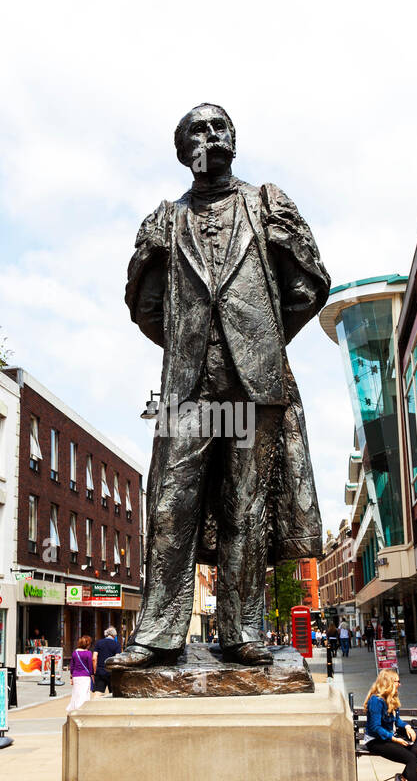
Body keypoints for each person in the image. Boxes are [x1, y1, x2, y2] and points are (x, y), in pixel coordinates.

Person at [112, 103, 329, 672]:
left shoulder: (266, 204)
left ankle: (242, 631)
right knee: (170, 504)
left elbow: (308, 287)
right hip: (188, 388)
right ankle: (159, 632)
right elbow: (146, 305)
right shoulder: (165, 219)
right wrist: (191, 341)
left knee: (246, 506)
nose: (211, 136)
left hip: (253, 385)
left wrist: (258, 339)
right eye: (197, 131)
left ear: (234, 137)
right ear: (184, 152)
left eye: (219, 126)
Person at [66, 635, 94, 713]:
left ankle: (74, 707)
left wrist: (71, 677)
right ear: (88, 644)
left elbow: (72, 666)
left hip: (76, 675)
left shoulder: (75, 653)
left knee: (76, 692)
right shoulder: (88, 653)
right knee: (84, 692)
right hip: (85, 676)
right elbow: (90, 666)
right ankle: (82, 708)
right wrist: (92, 675)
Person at [92, 626, 121, 694]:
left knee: (98, 692)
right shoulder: (117, 644)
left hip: (100, 671)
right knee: (113, 693)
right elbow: (117, 658)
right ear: (114, 635)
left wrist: (95, 670)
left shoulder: (99, 643)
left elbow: (94, 658)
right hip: (112, 672)